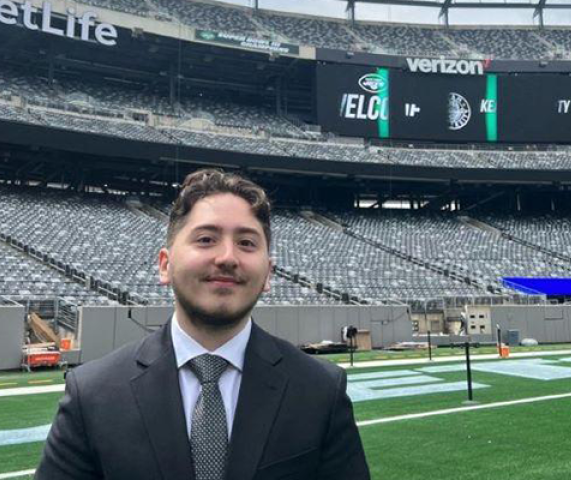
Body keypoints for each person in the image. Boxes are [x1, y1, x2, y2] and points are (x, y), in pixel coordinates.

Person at [35, 169, 370, 480]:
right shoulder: (91, 393)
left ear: (268, 273)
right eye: (206, 239)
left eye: (247, 243)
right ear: (164, 265)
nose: (227, 257)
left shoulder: (321, 390)